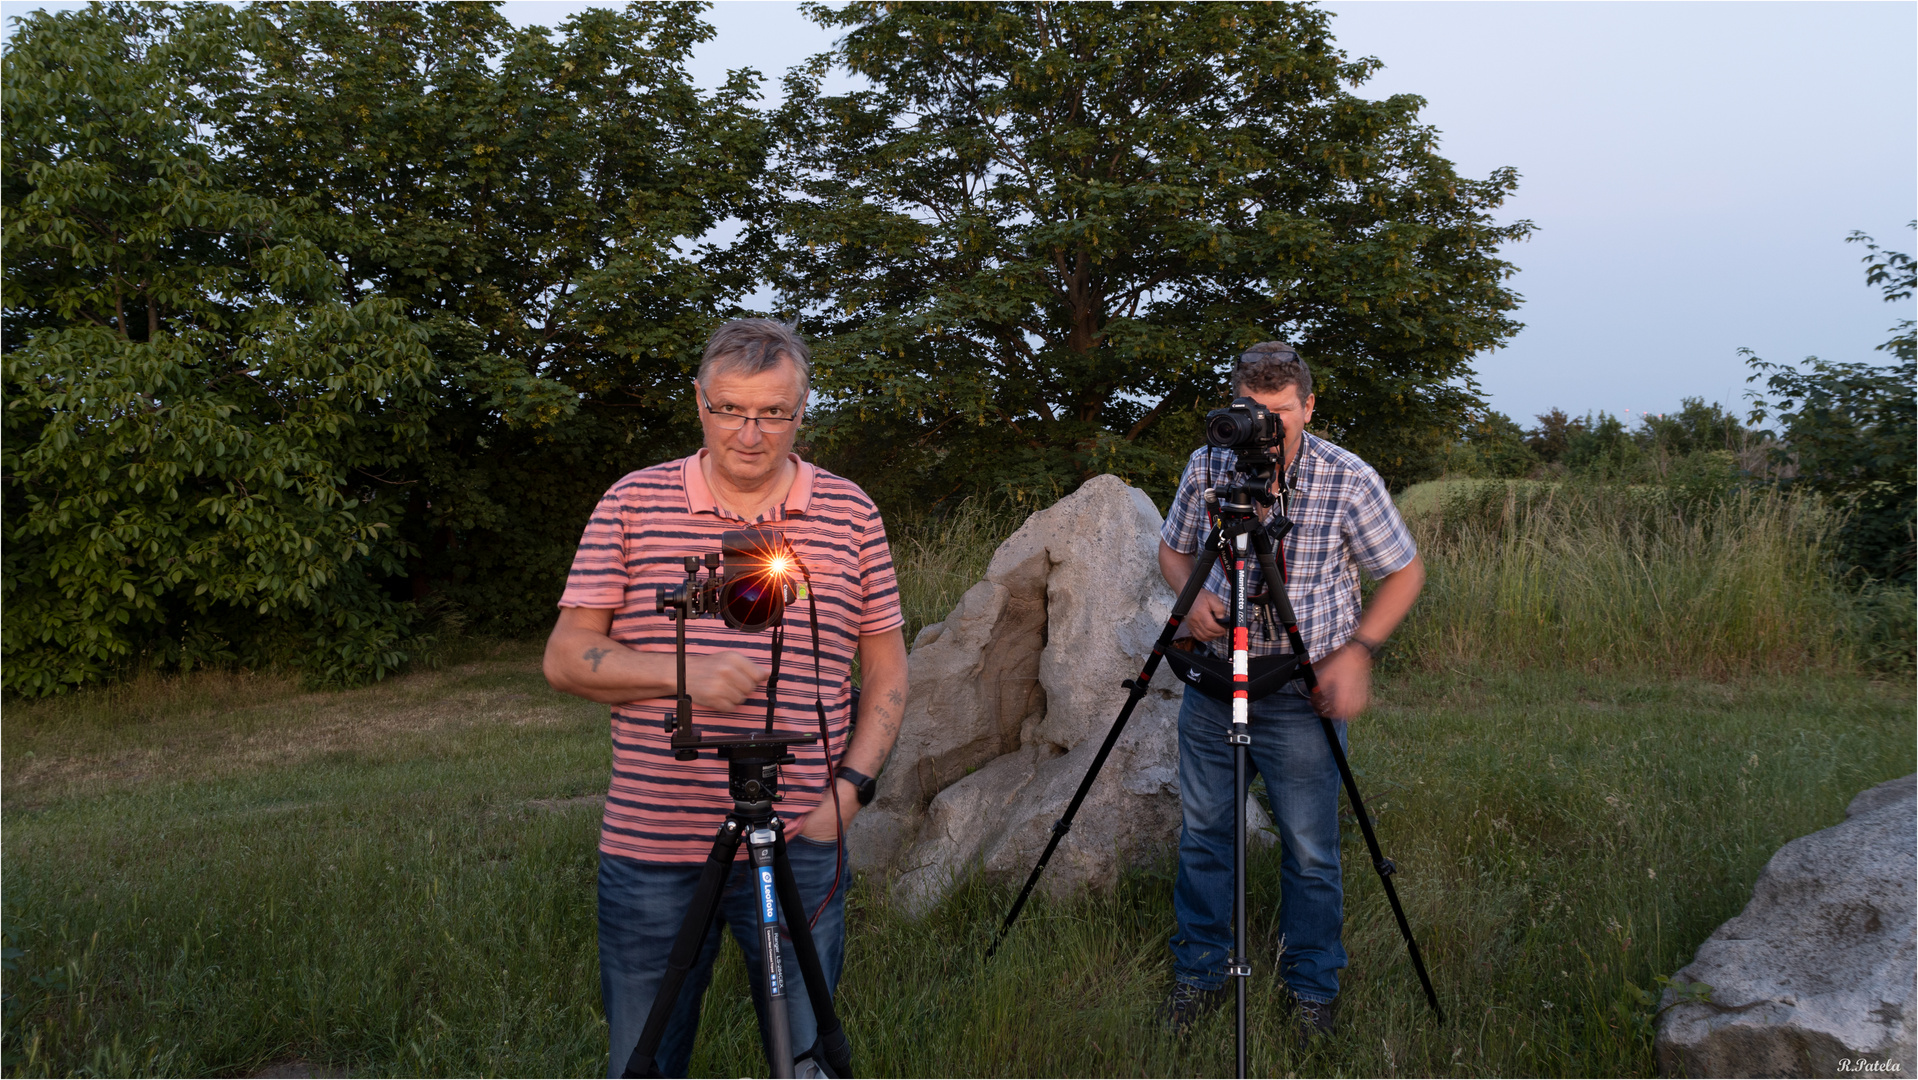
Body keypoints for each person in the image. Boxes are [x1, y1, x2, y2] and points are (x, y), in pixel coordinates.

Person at [543, 319, 909, 1078]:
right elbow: (565, 658)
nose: (750, 433)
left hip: (804, 833)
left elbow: (887, 670)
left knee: (806, 1057)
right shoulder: (633, 503)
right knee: (643, 1056)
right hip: (655, 842)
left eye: (773, 412)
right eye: (730, 410)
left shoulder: (849, 512)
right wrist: (684, 676)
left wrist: (851, 790)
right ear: (699, 404)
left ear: (802, 411)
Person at [1155, 342, 1425, 1046]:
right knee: (1206, 836)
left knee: (1309, 847)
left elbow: (1403, 572)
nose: (1264, 427)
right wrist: (1186, 608)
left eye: (1278, 414)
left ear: (1309, 406)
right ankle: (1200, 976)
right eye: (1251, 410)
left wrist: (1357, 653)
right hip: (1215, 678)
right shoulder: (1210, 461)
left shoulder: (1346, 477)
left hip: (1301, 688)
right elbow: (1174, 549)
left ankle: (1311, 989)